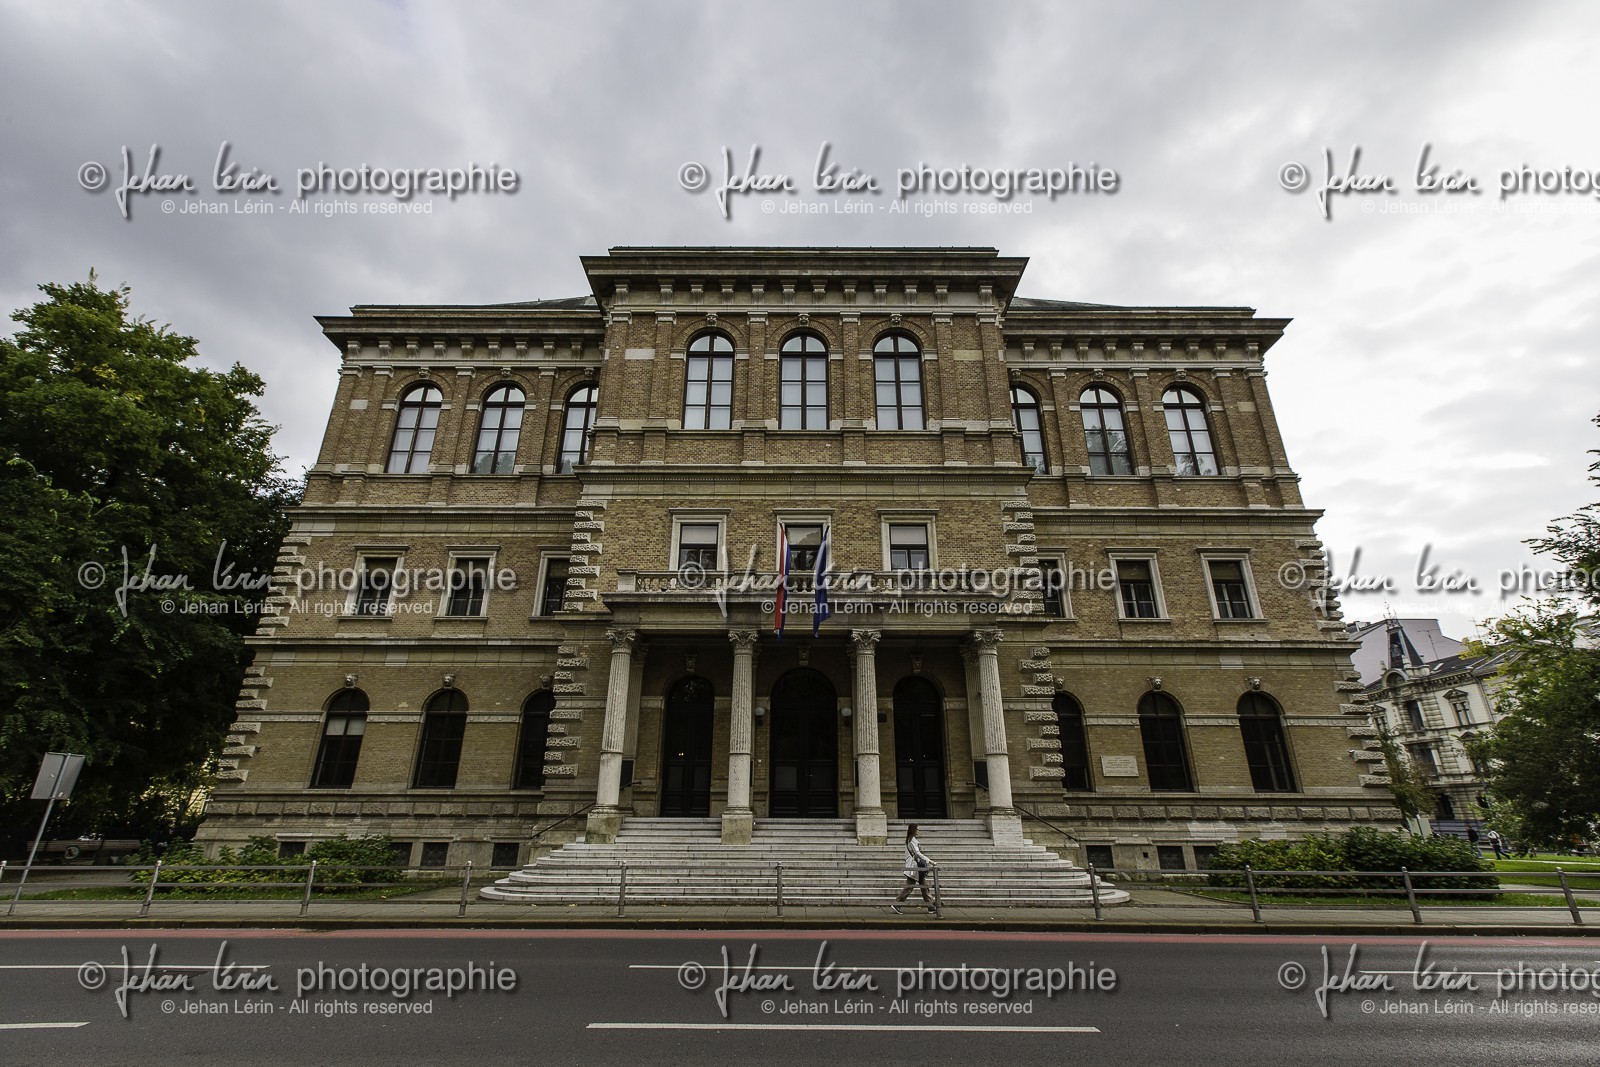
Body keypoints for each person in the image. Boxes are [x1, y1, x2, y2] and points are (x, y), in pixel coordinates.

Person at [891, 824, 936, 913]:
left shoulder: (910, 840)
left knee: (924, 887)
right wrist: (930, 861)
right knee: (910, 887)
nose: (918, 831)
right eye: (917, 829)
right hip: (915, 868)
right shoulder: (911, 841)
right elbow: (917, 854)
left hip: (916, 867)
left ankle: (931, 905)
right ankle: (897, 904)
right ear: (913, 830)